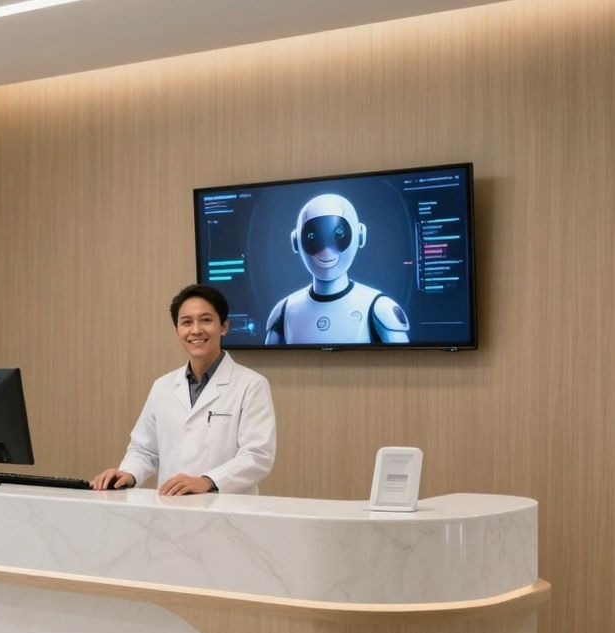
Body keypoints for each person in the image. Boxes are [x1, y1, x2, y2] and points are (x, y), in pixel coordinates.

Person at [92, 284, 276, 495]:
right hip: (172, 510)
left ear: (224, 326)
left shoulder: (251, 385)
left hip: (227, 512)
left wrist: (208, 481)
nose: (196, 330)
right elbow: (144, 449)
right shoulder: (162, 386)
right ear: (177, 330)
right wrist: (128, 474)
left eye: (206, 320)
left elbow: (257, 456)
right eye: (186, 322)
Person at [264, 192, 410, 345]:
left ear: (360, 236)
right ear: (296, 242)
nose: (326, 251)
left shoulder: (379, 309)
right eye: (312, 237)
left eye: (338, 234)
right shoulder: (284, 311)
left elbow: (405, 363)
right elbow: (265, 363)